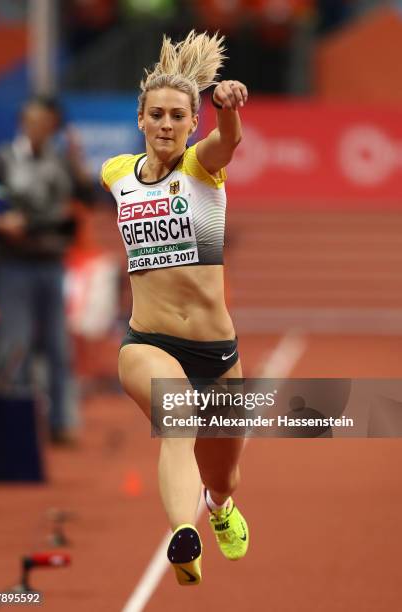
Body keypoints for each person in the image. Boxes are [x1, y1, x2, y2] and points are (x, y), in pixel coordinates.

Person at [101, 30, 249, 585]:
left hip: (216, 352)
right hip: (148, 342)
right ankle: (182, 534)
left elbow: (227, 142)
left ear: (192, 125)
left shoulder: (201, 168)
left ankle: (217, 508)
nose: (166, 124)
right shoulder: (117, 174)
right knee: (176, 413)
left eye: (177, 116)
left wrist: (226, 108)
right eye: (156, 114)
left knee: (226, 475)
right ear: (141, 118)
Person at [0, 96, 94, 443]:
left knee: (60, 348)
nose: (37, 128)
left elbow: (88, 198)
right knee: (16, 347)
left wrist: (77, 162)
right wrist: (2, 220)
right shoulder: (3, 159)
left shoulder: (60, 160)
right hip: (14, 266)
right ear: (22, 122)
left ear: (53, 126)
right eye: (31, 121)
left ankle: (62, 424)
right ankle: (18, 431)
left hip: (52, 265)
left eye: (45, 122)